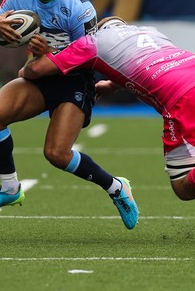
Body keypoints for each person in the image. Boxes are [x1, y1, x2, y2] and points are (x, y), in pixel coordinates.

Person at [0, 0, 138, 230]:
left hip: (75, 79)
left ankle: (116, 187)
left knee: (57, 155)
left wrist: (47, 58)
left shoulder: (79, 7)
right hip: (42, 74)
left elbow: (89, 58)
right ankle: (10, 189)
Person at [22, 16, 195, 201]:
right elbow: (154, 62)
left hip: (183, 98)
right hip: (188, 78)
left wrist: (31, 59)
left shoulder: (93, 42)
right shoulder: (151, 31)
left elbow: (37, 71)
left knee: (182, 187)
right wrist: (112, 85)